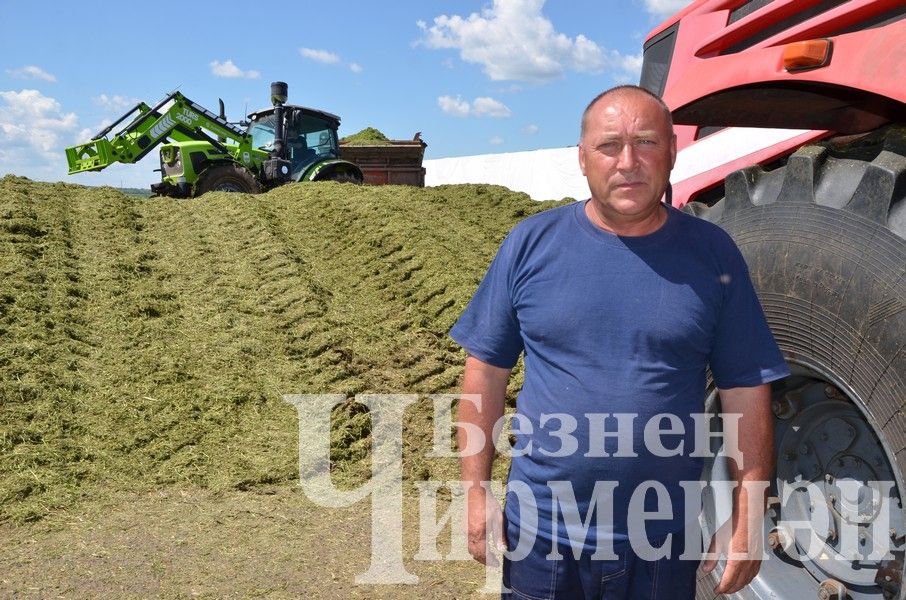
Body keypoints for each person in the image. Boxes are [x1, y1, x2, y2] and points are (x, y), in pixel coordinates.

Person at [449, 85, 789, 600]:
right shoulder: (530, 245)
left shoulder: (712, 254)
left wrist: (749, 514)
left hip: (661, 542)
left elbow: (746, 389)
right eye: (609, 146)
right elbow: (485, 374)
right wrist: (475, 492)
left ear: (673, 153)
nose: (628, 162)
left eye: (647, 143)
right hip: (542, 537)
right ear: (582, 159)